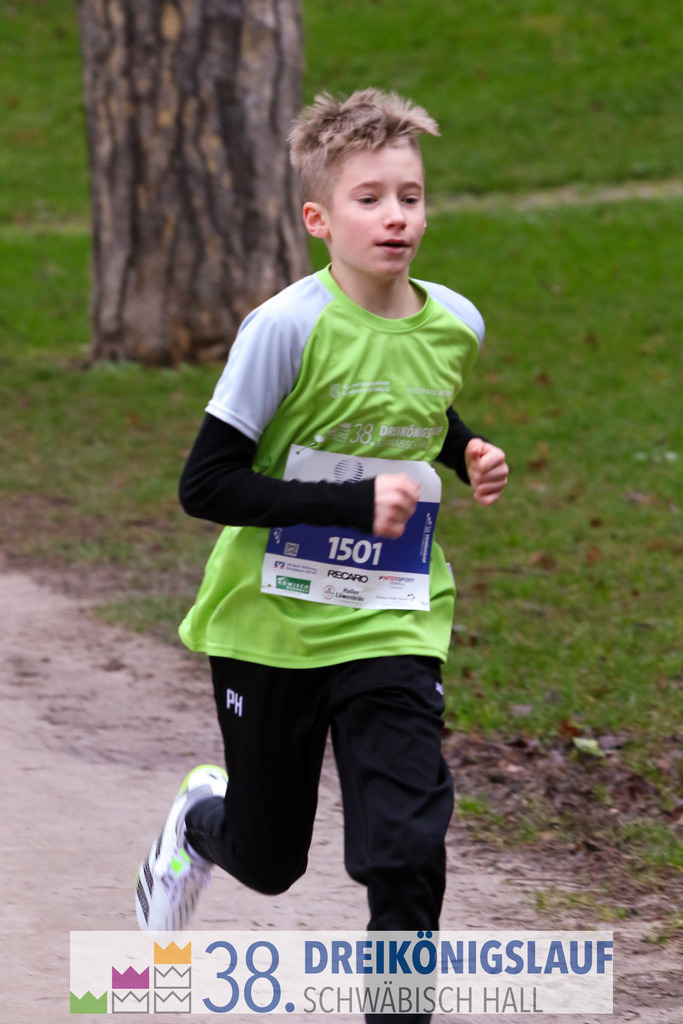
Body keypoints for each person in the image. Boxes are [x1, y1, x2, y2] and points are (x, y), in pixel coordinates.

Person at [135, 88, 508, 1021]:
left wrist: (460, 451)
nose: (396, 218)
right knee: (268, 858)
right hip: (271, 624)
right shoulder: (285, 329)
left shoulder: (452, 322)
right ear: (318, 219)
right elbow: (206, 484)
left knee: (407, 846)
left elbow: (413, 405)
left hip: (392, 611)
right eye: (369, 198)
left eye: (411, 197)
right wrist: (350, 499)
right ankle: (198, 824)